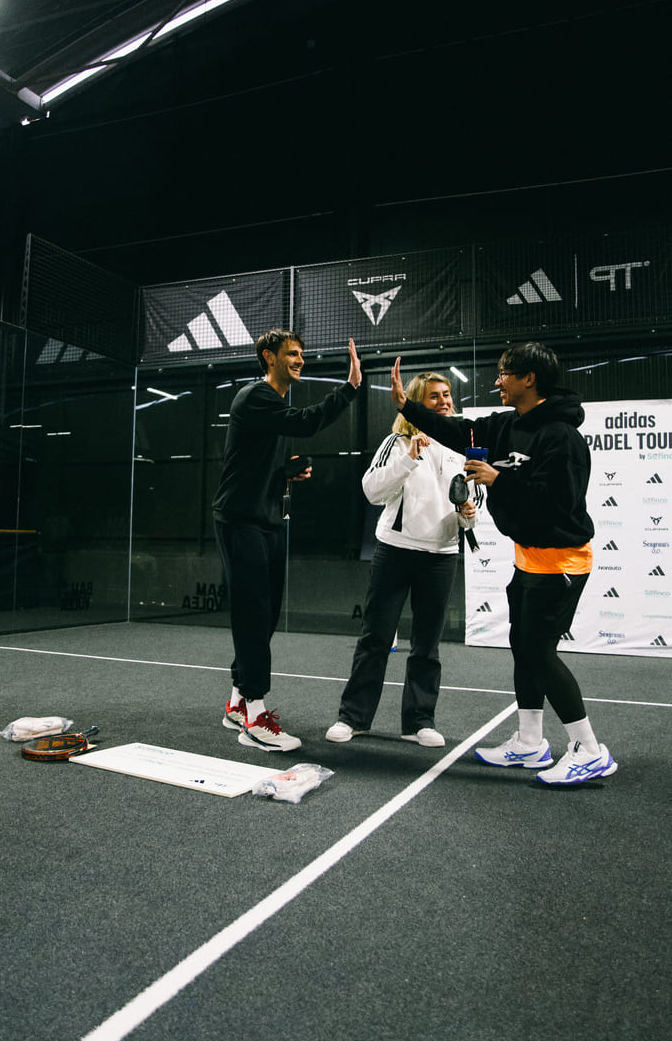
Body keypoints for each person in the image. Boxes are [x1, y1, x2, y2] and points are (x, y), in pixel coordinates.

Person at [391, 342, 617, 785]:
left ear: (529, 379)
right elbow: (457, 430)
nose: (497, 382)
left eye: (504, 374)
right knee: (523, 646)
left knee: (539, 652)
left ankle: (590, 750)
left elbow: (558, 504)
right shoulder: (505, 424)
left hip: (562, 561)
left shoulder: (561, 437)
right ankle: (530, 742)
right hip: (528, 559)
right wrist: (406, 406)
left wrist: (500, 479)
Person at [214, 330, 362, 751]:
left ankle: (237, 702)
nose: (300, 360)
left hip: (268, 521)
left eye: (301, 354)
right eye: (292, 354)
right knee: (253, 614)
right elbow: (307, 422)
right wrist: (350, 387)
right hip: (240, 520)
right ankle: (255, 718)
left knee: (265, 615)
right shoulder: (256, 397)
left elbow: (257, 464)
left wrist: (286, 472)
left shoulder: (274, 406)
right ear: (269, 357)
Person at [326, 371, 476, 749]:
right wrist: (409, 459)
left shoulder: (462, 447)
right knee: (376, 638)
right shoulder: (397, 442)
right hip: (395, 551)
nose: (443, 401)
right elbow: (371, 490)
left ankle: (419, 721)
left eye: (446, 395)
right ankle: (353, 718)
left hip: (441, 556)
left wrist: (468, 514)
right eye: (433, 396)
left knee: (427, 645)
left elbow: (472, 503)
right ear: (416, 402)